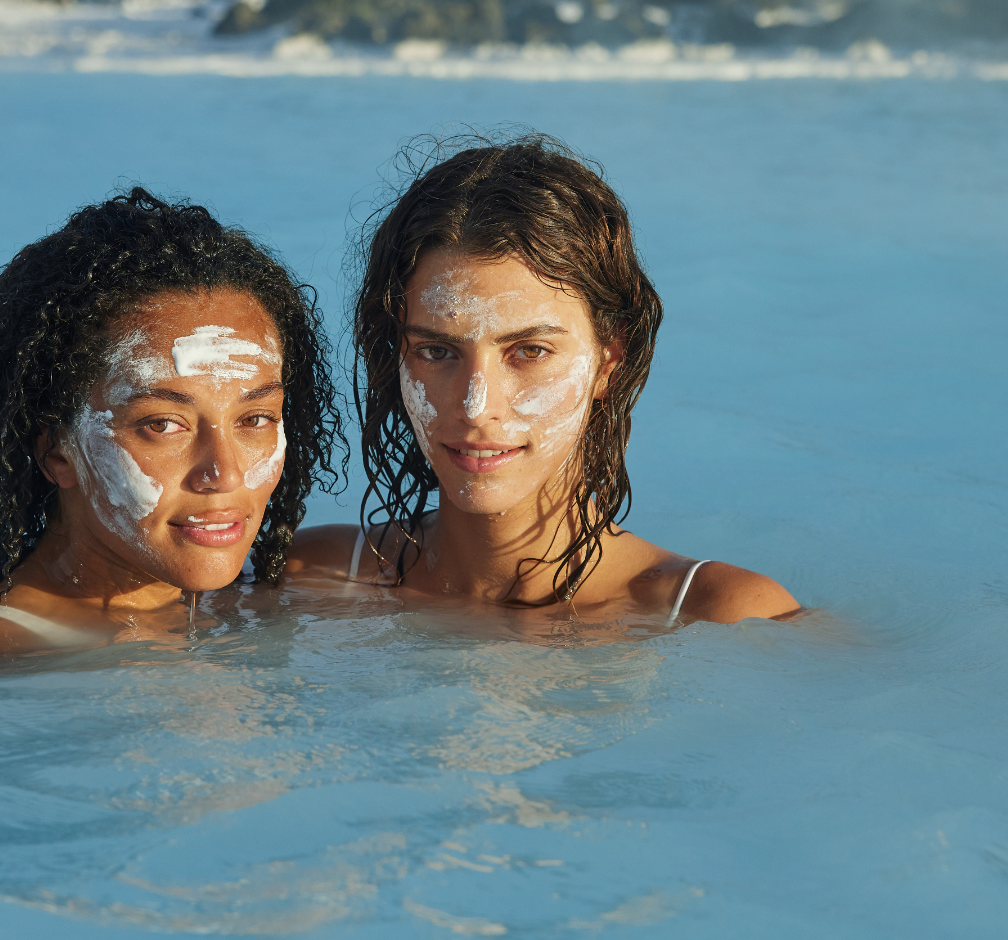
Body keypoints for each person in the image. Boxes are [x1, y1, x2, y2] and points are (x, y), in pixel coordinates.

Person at [287, 134, 796, 625]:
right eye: (437, 351)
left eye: (529, 351)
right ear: (394, 355)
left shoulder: (723, 614)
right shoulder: (308, 578)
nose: (474, 404)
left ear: (609, 359)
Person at [0, 187, 340, 653]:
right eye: (164, 424)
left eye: (254, 418)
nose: (224, 475)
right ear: (57, 452)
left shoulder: (297, 592)